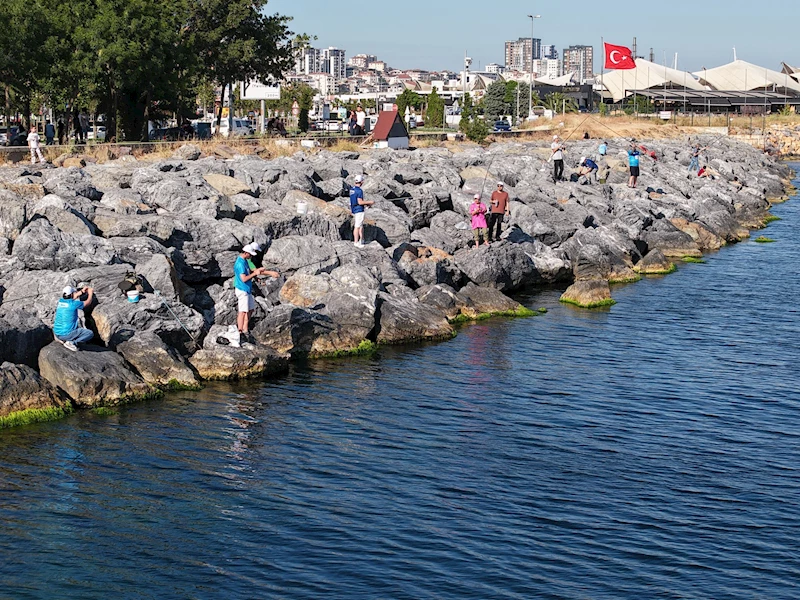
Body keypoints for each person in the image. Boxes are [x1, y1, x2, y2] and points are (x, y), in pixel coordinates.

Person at [234, 243, 277, 342]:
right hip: (242, 289)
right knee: (242, 311)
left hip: (247, 289)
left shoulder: (245, 261)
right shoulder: (240, 263)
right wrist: (255, 273)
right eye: (250, 254)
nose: (251, 256)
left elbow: (250, 272)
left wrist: (257, 276)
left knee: (250, 309)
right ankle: (240, 332)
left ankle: (245, 329)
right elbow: (244, 279)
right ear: (246, 253)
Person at [53, 285, 95, 352]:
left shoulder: (61, 302)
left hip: (57, 333)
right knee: (89, 333)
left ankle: (63, 339)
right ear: (71, 294)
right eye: (74, 293)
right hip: (66, 334)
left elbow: (72, 297)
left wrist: (82, 291)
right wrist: (90, 293)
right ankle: (72, 343)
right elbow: (88, 302)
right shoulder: (74, 304)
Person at [350, 174, 374, 247]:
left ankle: (362, 240)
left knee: (360, 225)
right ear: (362, 182)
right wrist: (370, 202)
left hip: (354, 209)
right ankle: (356, 242)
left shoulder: (352, 189)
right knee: (357, 226)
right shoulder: (359, 191)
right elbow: (360, 202)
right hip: (359, 210)